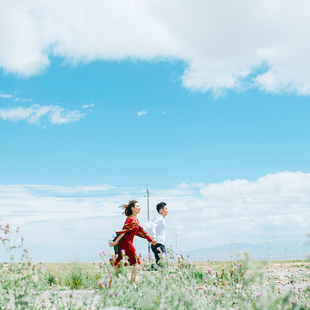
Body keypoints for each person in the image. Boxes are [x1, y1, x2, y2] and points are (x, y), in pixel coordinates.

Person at [108, 200, 157, 282]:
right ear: (132, 208)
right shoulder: (130, 219)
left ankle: (109, 282)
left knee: (117, 263)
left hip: (126, 244)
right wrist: (115, 242)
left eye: (139, 206)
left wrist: (150, 239)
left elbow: (142, 231)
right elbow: (124, 231)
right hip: (126, 243)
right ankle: (133, 283)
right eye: (137, 206)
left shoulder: (136, 220)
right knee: (137, 262)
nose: (139, 208)